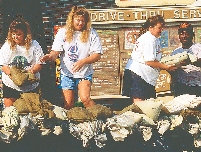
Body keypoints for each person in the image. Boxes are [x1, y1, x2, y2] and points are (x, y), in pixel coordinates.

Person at [40, 6, 103, 110]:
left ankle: (102, 117)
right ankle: (71, 124)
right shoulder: (62, 32)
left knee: (85, 99)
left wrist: (83, 61)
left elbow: (97, 54)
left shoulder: (91, 33)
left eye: (83, 21)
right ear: (72, 19)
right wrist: (50, 56)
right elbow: (56, 51)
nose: (80, 23)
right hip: (67, 73)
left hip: (84, 73)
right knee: (68, 104)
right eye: (78, 20)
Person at [122, 15, 177, 103]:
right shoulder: (150, 39)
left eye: (162, 28)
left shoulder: (152, 38)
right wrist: (165, 67)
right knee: (141, 104)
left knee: (149, 103)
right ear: (151, 28)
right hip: (139, 74)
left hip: (144, 76)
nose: (161, 30)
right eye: (159, 28)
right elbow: (149, 61)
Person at [0, 18, 45, 107]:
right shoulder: (7, 45)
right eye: (13, 34)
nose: (15, 37)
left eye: (18, 34)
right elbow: (3, 65)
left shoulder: (34, 45)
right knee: (10, 111)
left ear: (25, 34)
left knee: (32, 112)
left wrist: (29, 73)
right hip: (11, 84)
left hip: (30, 85)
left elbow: (40, 64)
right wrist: (13, 75)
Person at [170, 22, 201, 97]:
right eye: (181, 33)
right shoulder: (176, 52)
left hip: (198, 87)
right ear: (179, 36)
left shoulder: (199, 48)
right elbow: (173, 73)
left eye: (187, 33)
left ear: (192, 35)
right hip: (181, 87)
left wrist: (191, 62)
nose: (184, 36)